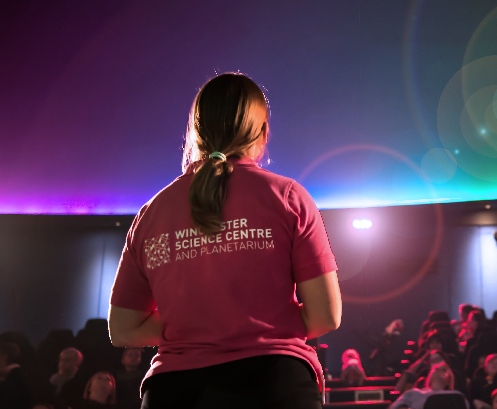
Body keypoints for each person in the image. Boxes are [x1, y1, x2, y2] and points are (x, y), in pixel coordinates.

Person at [108, 73, 341, 409]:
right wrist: (250, 318)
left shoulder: (152, 213)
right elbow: (325, 317)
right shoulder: (288, 198)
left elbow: (123, 329)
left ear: (195, 132)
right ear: (263, 133)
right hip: (273, 385)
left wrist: (192, 320)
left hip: (173, 393)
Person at [390, 362, 469, 409]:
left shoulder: (457, 396)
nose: (438, 369)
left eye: (444, 369)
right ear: (429, 376)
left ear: (450, 379)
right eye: (435, 368)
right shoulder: (413, 393)